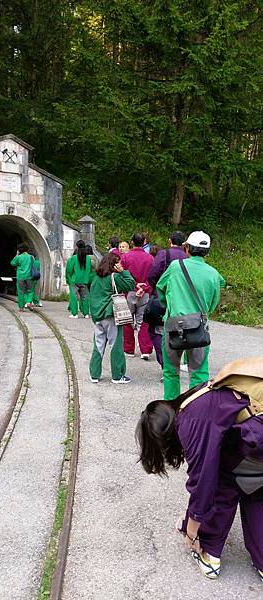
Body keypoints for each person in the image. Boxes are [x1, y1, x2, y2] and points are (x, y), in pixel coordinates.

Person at [136, 357, 263, 583]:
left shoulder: (190, 423)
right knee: (255, 487)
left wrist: (192, 529)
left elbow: (204, 480)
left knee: (225, 482)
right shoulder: (195, 398)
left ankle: (210, 554)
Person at [156, 231, 226, 400]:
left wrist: (168, 307)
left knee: (171, 371)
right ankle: (195, 410)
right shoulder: (214, 274)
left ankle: (172, 410)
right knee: (199, 373)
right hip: (199, 327)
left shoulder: (175, 267)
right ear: (207, 252)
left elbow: (160, 287)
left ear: (187, 248)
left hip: (173, 325)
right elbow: (213, 303)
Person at [89, 253, 135, 384]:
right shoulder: (114, 276)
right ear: (113, 264)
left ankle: (94, 374)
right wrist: (124, 272)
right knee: (115, 345)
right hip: (111, 314)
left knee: (98, 345)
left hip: (97, 316)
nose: (120, 265)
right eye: (118, 262)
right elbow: (130, 285)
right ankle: (117, 375)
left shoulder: (96, 278)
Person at [147, 232, 186, 369]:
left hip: (163, 297)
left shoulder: (164, 254)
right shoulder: (188, 256)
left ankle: (166, 364)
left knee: (157, 330)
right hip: (183, 299)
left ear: (170, 241)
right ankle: (180, 360)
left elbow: (152, 274)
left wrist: (155, 286)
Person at [121, 232, 154, 360]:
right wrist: (143, 286)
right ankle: (145, 350)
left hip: (129, 292)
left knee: (127, 321)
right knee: (143, 321)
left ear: (132, 242)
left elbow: (122, 275)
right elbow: (152, 276)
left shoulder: (126, 257)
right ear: (144, 242)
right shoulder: (150, 258)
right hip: (145, 293)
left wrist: (135, 286)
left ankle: (129, 349)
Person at [66, 240, 92, 318]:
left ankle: (75, 313)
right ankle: (86, 313)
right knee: (85, 297)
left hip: (74, 280)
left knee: (73, 297)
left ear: (77, 246)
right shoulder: (88, 258)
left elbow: (69, 269)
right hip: (84, 280)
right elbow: (89, 269)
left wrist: (68, 278)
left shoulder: (74, 258)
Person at [10, 242, 34, 311]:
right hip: (29, 276)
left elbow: (12, 263)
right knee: (30, 290)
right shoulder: (31, 257)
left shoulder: (18, 257)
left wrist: (16, 255)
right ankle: (29, 302)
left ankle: (21, 308)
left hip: (20, 276)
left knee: (21, 292)